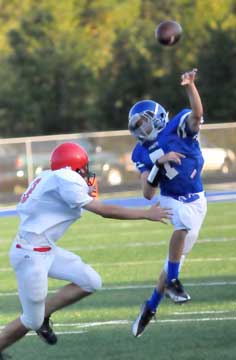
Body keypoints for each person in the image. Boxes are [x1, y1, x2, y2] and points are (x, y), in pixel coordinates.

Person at [0, 142, 171, 359]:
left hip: (44, 249)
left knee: (90, 281)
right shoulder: (67, 178)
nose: (85, 172)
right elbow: (103, 211)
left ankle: (43, 314)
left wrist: (83, 190)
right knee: (30, 320)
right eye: (82, 168)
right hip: (30, 256)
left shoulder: (51, 176)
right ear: (73, 168)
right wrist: (145, 213)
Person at [128, 69, 207, 337]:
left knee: (174, 259)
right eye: (138, 127)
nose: (142, 130)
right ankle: (173, 281)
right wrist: (156, 165)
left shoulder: (178, 126)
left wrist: (190, 87)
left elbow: (196, 114)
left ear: (159, 118)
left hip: (198, 200)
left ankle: (151, 306)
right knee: (181, 225)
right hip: (170, 198)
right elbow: (147, 194)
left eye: (145, 123)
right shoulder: (141, 151)